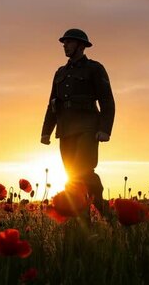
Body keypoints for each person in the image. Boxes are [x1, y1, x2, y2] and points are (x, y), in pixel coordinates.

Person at [41, 28, 115, 213]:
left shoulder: (95, 69)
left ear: (81, 46)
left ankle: (101, 209)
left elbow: (107, 100)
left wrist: (105, 129)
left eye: (69, 42)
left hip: (87, 128)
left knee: (83, 170)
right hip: (65, 130)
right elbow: (52, 104)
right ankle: (82, 219)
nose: (65, 46)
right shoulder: (60, 72)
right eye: (64, 43)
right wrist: (45, 131)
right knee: (72, 175)